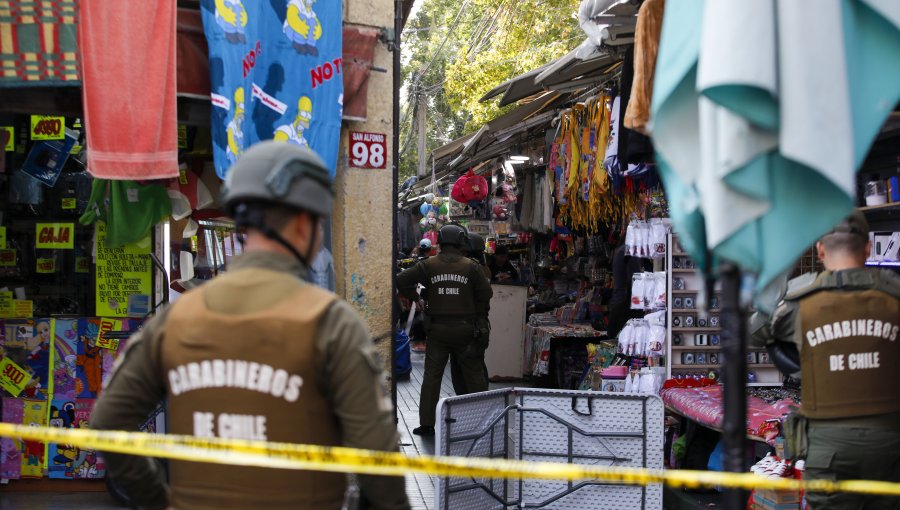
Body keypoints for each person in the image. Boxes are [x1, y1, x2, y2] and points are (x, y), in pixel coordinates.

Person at [91, 142, 410, 510]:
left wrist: (158, 500)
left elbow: (108, 422)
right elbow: (375, 453)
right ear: (304, 226)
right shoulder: (330, 322)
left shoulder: (176, 318)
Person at [751, 210, 900, 510]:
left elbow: (753, 333)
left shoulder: (799, 301)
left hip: (828, 448)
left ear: (819, 250)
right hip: (890, 445)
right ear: (868, 247)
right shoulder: (894, 295)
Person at [397, 224, 492, 436]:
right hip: (466, 331)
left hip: (437, 331)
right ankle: (483, 420)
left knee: (432, 377)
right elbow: (486, 294)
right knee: (473, 376)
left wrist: (417, 298)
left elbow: (402, 280)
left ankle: (427, 424)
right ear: (461, 241)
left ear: (440, 240)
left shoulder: (429, 265)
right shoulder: (472, 267)